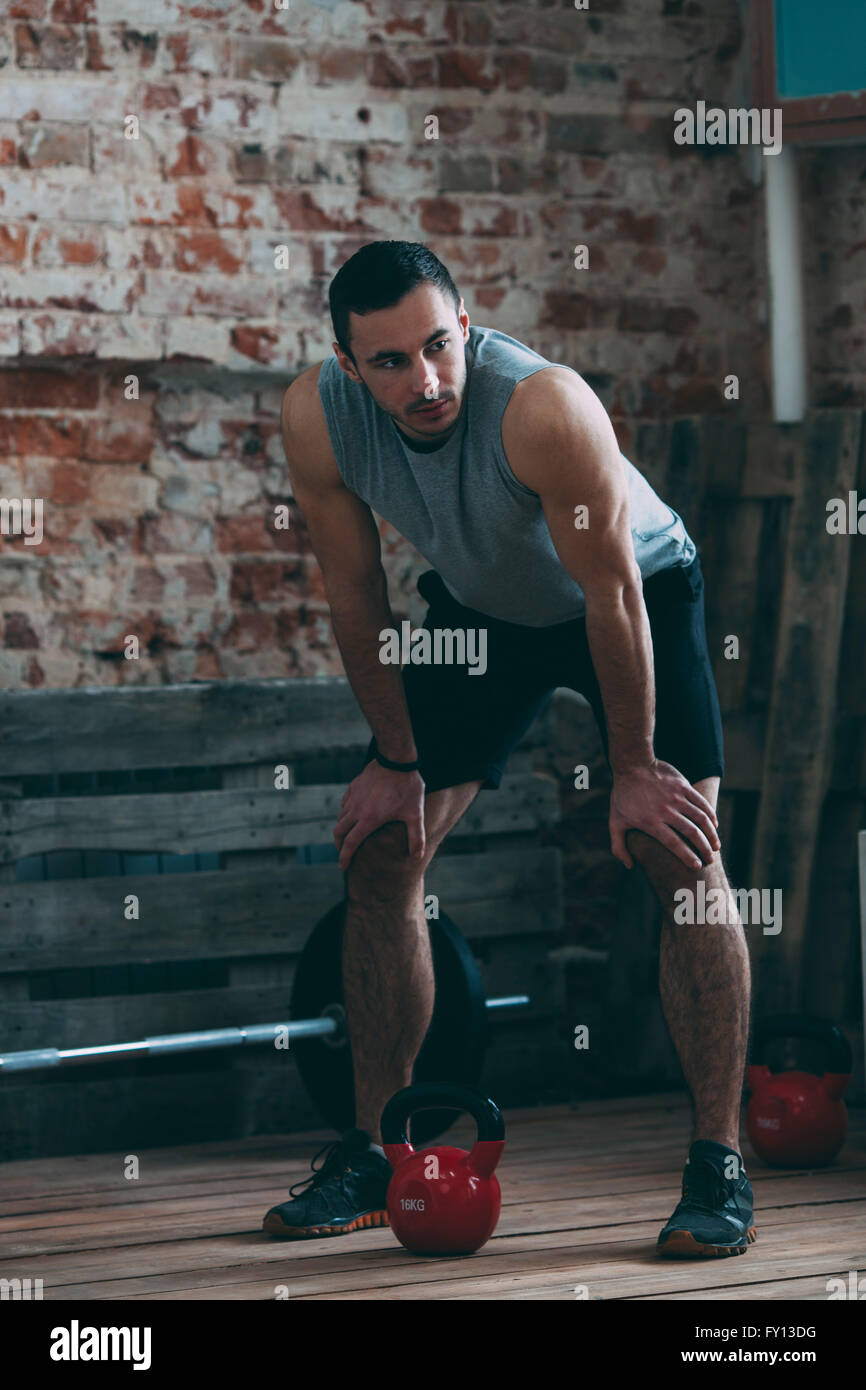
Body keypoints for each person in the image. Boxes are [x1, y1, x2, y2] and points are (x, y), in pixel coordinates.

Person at [263, 241, 754, 1259]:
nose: (426, 380)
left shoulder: (541, 407)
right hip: (481, 614)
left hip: (627, 596)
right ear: (349, 367)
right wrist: (394, 760)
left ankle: (718, 1159)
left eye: (438, 346)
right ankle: (372, 1150)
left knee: (683, 860)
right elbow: (355, 596)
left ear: (465, 327)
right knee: (382, 852)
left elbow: (611, 595)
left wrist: (629, 770)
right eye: (390, 361)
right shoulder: (316, 416)